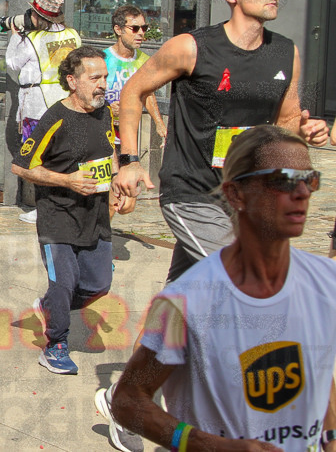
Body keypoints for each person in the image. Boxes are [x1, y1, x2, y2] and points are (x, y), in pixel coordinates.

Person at [110, 125, 336, 452]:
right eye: (283, 179)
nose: (301, 192)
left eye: (309, 179)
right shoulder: (184, 303)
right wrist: (208, 444)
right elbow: (128, 400)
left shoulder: (325, 280)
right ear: (235, 194)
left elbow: (319, 372)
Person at [113, 0, 329, 284]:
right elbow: (133, 91)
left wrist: (306, 131)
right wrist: (129, 160)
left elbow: (287, 121)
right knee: (249, 275)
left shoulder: (287, 52)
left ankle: (160, 337)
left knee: (184, 293)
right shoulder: (191, 47)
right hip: (192, 193)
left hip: (246, 196)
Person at [11, 46, 125, 376]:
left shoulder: (105, 112)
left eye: (105, 77)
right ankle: (55, 345)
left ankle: (49, 308)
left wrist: (116, 184)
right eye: (95, 78)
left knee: (99, 285)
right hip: (57, 214)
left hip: (96, 215)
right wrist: (68, 181)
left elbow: (110, 153)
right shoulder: (55, 118)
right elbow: (21, 167)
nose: (103, 84)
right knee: (63, 283)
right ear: (72, 81)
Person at [5, 0, 82, 223]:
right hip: (67, 102)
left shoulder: (33, 39)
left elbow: (12, 63)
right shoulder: (73, 35)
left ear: (39, 16)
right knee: (63, 156)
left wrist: (16, 35)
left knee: (39, 159)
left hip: (37, 104)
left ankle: (45, 207)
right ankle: (65, 206)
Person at [104, 4, 166, 143]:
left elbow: (148, 94)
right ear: (118, 29)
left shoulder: (145, 61)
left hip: (129, 135)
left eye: (144, 28)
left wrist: (159, 123)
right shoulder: (102, 59)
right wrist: (107, 109)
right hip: (102, 133)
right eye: (134, 28)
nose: (141, 33)